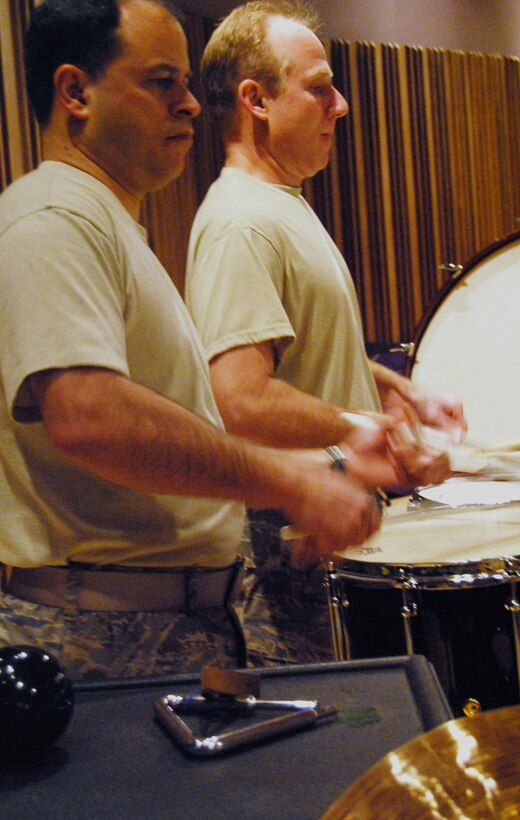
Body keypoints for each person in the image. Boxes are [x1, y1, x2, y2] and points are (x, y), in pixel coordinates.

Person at [0, 0, 425, 682]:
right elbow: (89, 415)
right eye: (161, 82)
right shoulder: (53, 217)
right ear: (75, 92)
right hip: (104, 636)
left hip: (158, 623)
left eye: (187, 85)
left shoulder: (105, 224)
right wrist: (297, 478)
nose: (192, 106)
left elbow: (174, 399)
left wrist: (349, 433)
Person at [185, 0, 465, 665]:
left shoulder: (282, 206)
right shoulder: (240, 224)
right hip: (291, 552)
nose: (339, 104)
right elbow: (238, 398)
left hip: (333, 536)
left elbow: (303, 342)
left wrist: (403, 391)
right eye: (318, 87)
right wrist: (354, 431)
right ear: (256, 99)